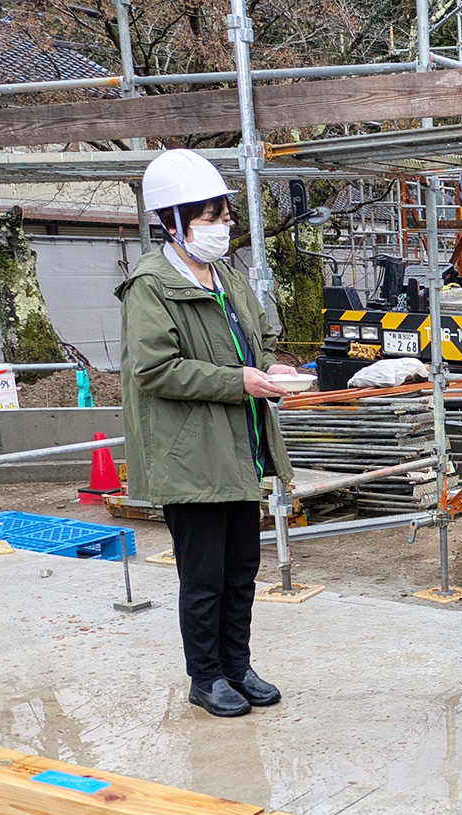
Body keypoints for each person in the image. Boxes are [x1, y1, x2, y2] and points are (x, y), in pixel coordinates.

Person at [118, 148, 297, 719]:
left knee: (241, 571)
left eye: (225, 214)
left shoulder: (228, 277)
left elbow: (259, 340)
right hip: (191, 455)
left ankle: (237, 666)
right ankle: (206, 676)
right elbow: (155, 369)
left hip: (241, 449)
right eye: (211, 216)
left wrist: (271, 368)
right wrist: (238, 380)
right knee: (204, 578)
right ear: (172, 222)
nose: (223, 225)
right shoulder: (150, 285)